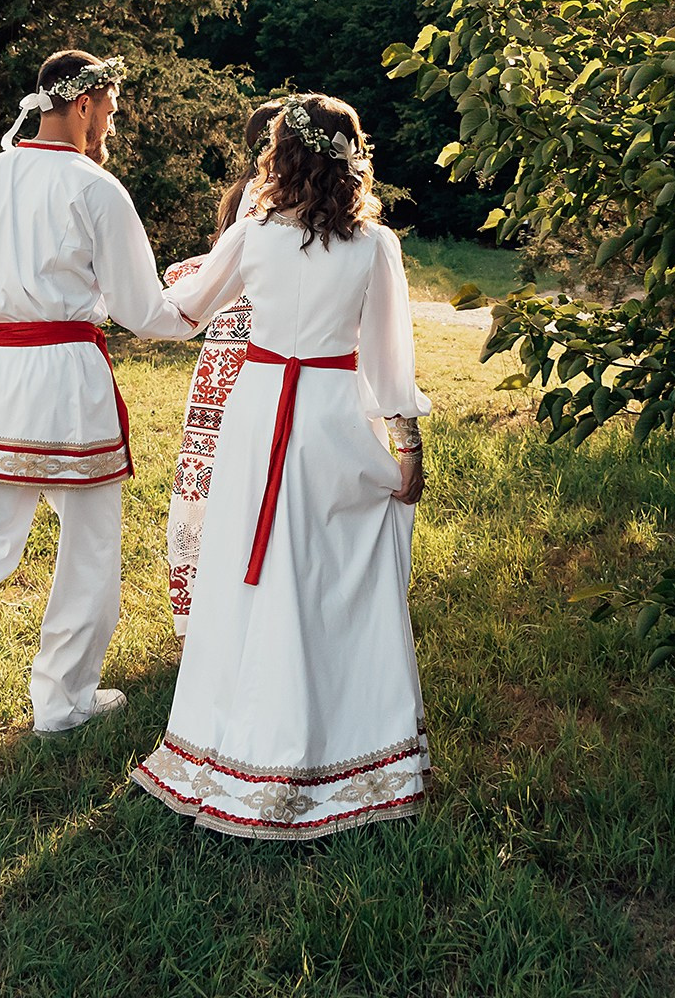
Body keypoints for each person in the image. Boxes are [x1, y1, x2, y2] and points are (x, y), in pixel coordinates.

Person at [0, 50, 194, 799]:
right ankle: (65, 701)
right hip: (63, 381)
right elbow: (143, 309)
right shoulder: (95, 187)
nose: (110, 128)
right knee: (89, 547)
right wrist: (215, 288)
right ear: (84, 102)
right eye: (110, 112)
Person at [132, 94, 432, 840]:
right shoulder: (374, 246)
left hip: (261, 410)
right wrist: (408, 448)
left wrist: (117, 294)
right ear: (350, 155)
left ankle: (240, 742)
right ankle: (350, 746)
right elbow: (391, 367)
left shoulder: (253, 233)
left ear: (282, 155)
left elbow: (181, 312)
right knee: (338, 571)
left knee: (253, 573)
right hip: (332, 413)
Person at [161, 98, 284, 637]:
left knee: (220, 473)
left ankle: (211, 602)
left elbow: (224, 272)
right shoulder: (272, 196)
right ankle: (257, 597)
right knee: (256, 470)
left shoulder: (243, 195)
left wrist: (187, 272)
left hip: (227, 349)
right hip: (260, 348)